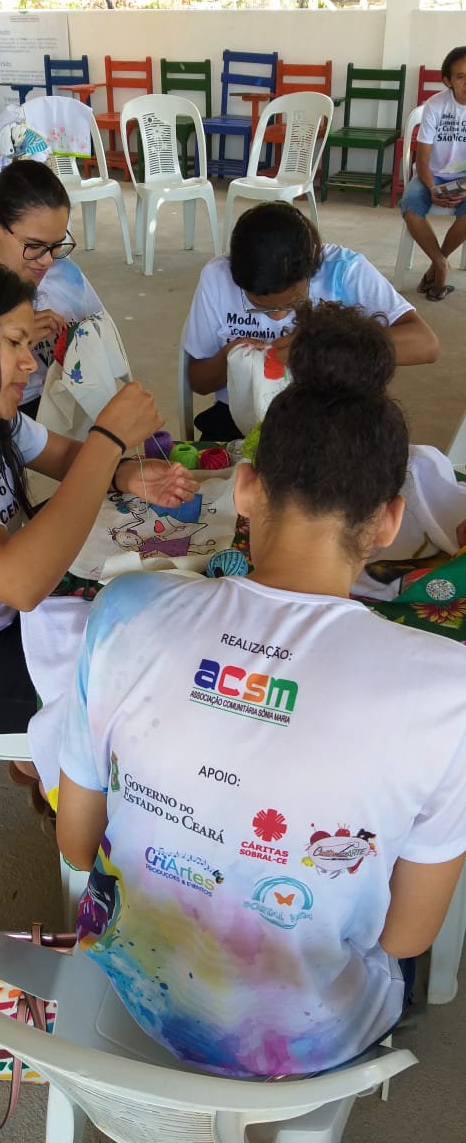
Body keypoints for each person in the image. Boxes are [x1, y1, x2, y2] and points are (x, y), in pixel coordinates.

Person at [57, 301, 466, 1080]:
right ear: (390, 521)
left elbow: (77, 845)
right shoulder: (451, 689)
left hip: (125, 995)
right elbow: (407, 937)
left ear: (244, 489)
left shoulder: (125, 610)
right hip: (306, 1046)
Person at [0, 253, 194, 751]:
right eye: (14, 342)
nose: (30, 362)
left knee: (147, 608)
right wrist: (108, 438)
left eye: (29, 344)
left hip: (1, 619)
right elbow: (22, 584)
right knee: (140, 680)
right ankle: (65, 777)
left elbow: (64, 457)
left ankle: (41, 763)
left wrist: (125, 472)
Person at [184, 200, 439, 440]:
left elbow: (426, 345)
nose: (277, 316)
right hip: (241, 416)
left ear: (313, 260)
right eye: (258, 306)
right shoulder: (217, 278)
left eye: (291, 304)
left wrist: (318, 348)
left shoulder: (344, 272)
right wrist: (231, 357)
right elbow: (199, 381)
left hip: (331, 412)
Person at [0, 158, 102, 416]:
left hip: (71, 402)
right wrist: (13, 343)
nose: (47, 260)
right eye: (34, 246)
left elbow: (100, 335)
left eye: (57, 244)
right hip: (4, 416)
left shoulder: (67, 276)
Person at [400, 47, 466, 302]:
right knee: (410, 207)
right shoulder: (436, 105)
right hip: (432, 175)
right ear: (448, 81)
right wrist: (432, 188)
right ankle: (440, 263)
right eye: (461, 76)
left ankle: (436, 264)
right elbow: (422, 160)